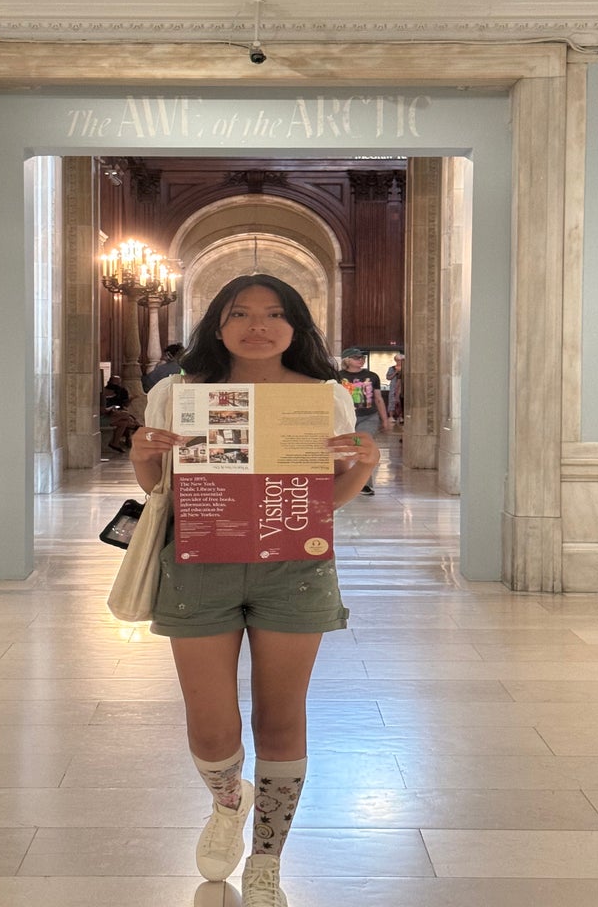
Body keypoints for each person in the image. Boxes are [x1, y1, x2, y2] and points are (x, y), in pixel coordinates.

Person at [128, 275, 379, 907]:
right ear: (218, 324)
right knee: (211, 729)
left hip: (294, 567)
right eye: (240, 313)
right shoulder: (179, 395)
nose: (257, 325)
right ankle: (227, 803)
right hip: (199, 565)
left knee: (280, 717)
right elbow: (157, 490)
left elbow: (328, 500)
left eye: (274, 314)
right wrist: (142, 452)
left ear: (297, 327)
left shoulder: (324, 398)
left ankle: (267, 858)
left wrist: (365, 469)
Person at [337, 348, 390, 495]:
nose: (361, 360)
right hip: (346, 417)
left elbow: (378, 399)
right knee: (346, 450)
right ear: (347, 360)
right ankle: (345, 481)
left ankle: (364, 484)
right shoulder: (337, 376)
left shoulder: (371, 376)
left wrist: (385, 419)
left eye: (362, 357)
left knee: (363, 446)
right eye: (356, 357)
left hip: (369, 416)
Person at [101, 375, 140, 452]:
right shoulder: (102, 393)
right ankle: (136, 427)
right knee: (125, 415)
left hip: (117, 412)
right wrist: (111, 408)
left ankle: (114, 443)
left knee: (124, 422)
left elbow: (125, 404)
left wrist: (131, 399)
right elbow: (103, 410)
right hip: (105, 416)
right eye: (115, 383)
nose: (117, 385)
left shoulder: (122, 391)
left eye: (118, 383)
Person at [386, 352, 405, 424]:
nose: (399, 362)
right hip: (393, 387)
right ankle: (391, 416)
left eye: (401, 360)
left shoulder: (405, 368)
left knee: (400, 401)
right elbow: (388, 377)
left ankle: (400, 416)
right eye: (398, 360)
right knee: (392, 400)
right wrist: (395, 372)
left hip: (402, 387)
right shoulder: (392, 368)